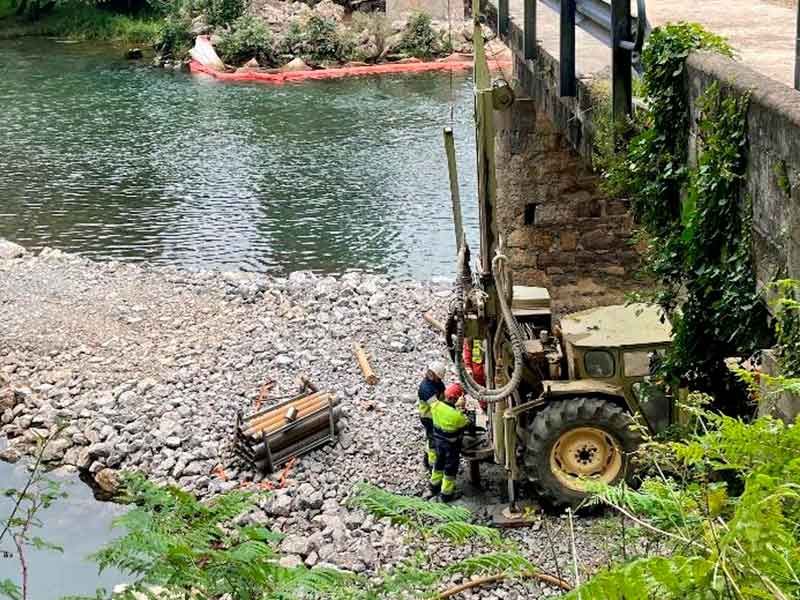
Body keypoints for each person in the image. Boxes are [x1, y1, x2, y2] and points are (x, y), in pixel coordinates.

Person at [430, 382, 470, 502]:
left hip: (438, 442)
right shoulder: (456, 416)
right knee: (450, 469)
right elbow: (466, 423)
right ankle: (446, 494)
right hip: (450, 446)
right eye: (458, 398)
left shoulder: (435, 406)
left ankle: (434, 486)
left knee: (438, 463)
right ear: (453, 398)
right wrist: (462, 409)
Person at [418, 360, 446, 470]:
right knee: (433, 440)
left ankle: (427, 459)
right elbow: (436, 406)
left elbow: (443, 395)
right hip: (428, 417)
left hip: (434, 415)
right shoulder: (426, 388)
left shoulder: (437, 383)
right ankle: (432, 465)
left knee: (432, 437)